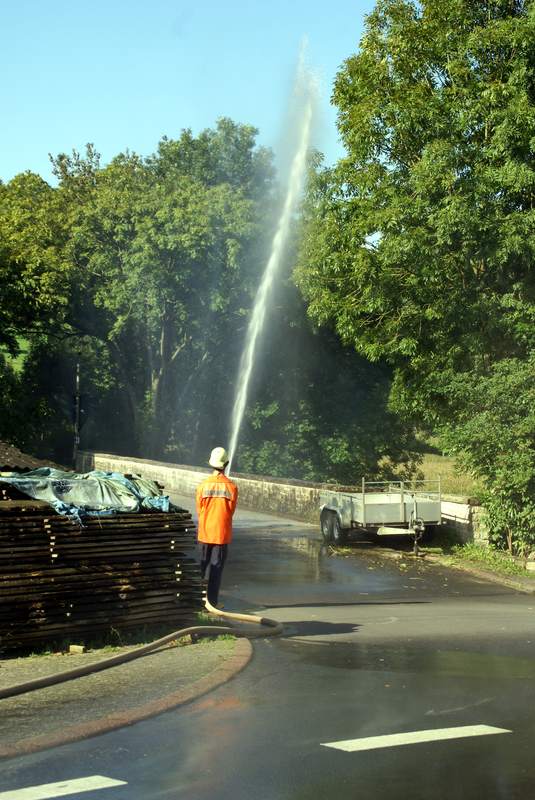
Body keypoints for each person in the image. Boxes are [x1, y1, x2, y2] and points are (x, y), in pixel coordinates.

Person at [195, 446, 238, 607]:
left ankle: (196, 600)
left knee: (201, 566)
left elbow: (199, 510)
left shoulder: (203, 486)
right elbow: (230, 511)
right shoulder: (232, 487)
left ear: (211, 464)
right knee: (216, 569)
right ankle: (212, 603)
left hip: (205, 533)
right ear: (226, 463)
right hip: (221, 534)